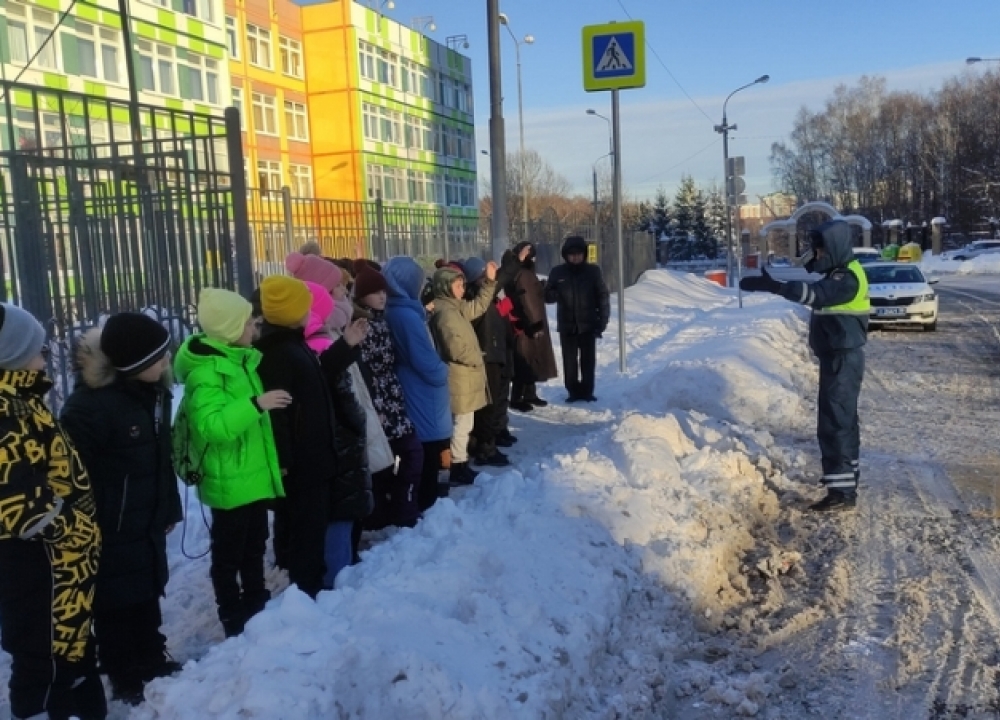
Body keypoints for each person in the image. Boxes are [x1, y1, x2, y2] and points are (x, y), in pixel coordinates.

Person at [61, 313, 183, 704]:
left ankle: (151, 655)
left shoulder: (151, 393)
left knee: (147, 589)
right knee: (115, 602)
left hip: (144, 518)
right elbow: (70, 473)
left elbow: (160, 459)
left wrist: (167, 508)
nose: (167, 363)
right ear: (133, 364)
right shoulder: (90, 407)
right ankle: (123, 672)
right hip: (107, 526)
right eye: (158, 358)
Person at [0, 304, 107, 720]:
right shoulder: (7, 412)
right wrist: (74, 528)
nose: (46, 358)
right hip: (36, 563)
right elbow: (19, 500)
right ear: (10, 356)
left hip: (61, 565)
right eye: (38, 351)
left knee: (69, 651)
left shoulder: (23, 399)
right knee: (42, 661)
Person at [173, 289, 289, 638]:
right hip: (228, 482)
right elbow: (212, 427)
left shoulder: (241, 359)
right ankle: (232, 615)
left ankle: (257, 601)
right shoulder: (207, 374)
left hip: (250, 477)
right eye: (249, 323)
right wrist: (256, 404)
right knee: (228, 556)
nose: (256, 328)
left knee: (254, 545)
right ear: (229, 330)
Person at [740, 219, 868, 511]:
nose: (817, 255)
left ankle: (842, 492)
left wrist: (775, 286)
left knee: (836, 422)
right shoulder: (839, 272)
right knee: (842, 420)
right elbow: (816, 283)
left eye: (820, 250)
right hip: (838, 355)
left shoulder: (846, 277)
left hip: (842, 357)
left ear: (833, 248)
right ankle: (846, 481)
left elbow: (816, 295)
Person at [254, 276, 338, 597]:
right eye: (303, 307)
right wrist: (285, 460)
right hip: (303, 460)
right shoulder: (278, 353)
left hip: (311, 454)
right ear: (291, 313)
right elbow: (278, 414)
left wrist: (344, 350)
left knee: (310, 523)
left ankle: (307, 581)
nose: (309, 312)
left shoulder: (291, 344)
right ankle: (306, 589)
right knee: (308, 527)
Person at [303, 281, 376, 583]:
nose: (342, 299)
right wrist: (358, 422)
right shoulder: (318, 344)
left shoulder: (321, 341)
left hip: (337, 439)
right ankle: (338, 577)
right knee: (340, 515)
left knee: (340, 513)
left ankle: (339, 571)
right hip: (339, 440)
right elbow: (340, 389)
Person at [353, 265, 425, 529]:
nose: (382, 296)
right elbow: (363, 368)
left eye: (383, 290)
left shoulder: (381, 320)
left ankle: (398, 507)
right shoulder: (363, 325)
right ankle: (394, 510)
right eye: (374, 292)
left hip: (391, 398)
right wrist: (373, 404)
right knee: (402, 453)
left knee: (404, 453)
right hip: (379, 402)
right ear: (362, 296)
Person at [382, 256, 454, 512]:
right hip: (424, 394)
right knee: (432, 453)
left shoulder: (401, 310)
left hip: (417, 390)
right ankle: (428, 504)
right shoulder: (405, 316)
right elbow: (425, 362)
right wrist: (442, 370)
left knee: (431, 451)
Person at [428, 262, 499, 485]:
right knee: (461, 424)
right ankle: (457, 465)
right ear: (446, 288)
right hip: (459, 377)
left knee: (463, 423)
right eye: (458, 286)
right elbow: (456, 348)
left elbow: (478, 306)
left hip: (465, 376)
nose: (462, 290)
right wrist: (477, 357)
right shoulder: (446, 313)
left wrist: (489, 282)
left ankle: (459, 462)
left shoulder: (454, 307)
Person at [544, 235, 610, 403]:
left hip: (588, 324)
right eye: (571, 254)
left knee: (588, 360)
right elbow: (547, 297)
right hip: (567, 325)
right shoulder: (557, 272)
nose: (575, 257)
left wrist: (602, 320)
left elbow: (602, 296)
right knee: (569, 361)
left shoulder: (593, 271)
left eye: (579, 254)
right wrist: (551, 292)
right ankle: (573, 391)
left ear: (584, 254)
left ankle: (587, 391)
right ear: (565, 255)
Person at [463, 257, 513, 467]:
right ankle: (485, 447)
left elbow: (504, 316)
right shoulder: (476, 298)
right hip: (487, 355)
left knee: (495, 401)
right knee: (487, 406)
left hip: (496, 351)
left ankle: (485, 442)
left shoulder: (491, 297)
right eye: (485, 276)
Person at [502, 242, 558, 412]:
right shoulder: (521, 273)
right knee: (524, 357)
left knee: (531, 356)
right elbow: (525, 299)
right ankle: (517, 397)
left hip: (530, 319)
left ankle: (529, 393)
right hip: (525, 321)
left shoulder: (523, 272)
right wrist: (533, 323)